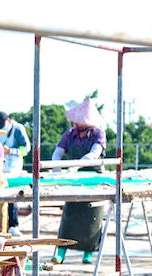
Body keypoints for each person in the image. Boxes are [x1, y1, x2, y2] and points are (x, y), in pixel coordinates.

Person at [50, 98, 108, 264]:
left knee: (93, 217)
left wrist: (75, 166)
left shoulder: (98, 133)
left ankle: (88, 253)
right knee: (70, 213)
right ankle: (61, 251)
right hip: (73, 178)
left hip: (92, 178)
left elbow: (93, 154)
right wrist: (56, 167)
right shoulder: (70, 134)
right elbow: (58, 152)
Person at [0, 111, 30, 236]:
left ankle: (13, 225)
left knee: (11, 194)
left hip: (14, 167)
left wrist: (11, 151)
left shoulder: (18, 129)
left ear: (8, 121)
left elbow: (26, 149)